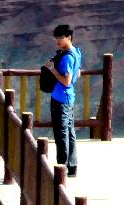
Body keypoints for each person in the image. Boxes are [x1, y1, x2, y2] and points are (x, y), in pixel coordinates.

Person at [45, 23, 82, 177]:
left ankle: (62, 168)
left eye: (60, 38)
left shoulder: (66, 57)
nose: (57, 41)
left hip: (60, 99)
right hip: (69, 98)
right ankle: (72, 167)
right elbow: (78, 74)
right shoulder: (76, 52)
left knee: (61, 135)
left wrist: (52, 69)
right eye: (56, 38)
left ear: (68, 37)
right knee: (69, 132)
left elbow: (66, 81)